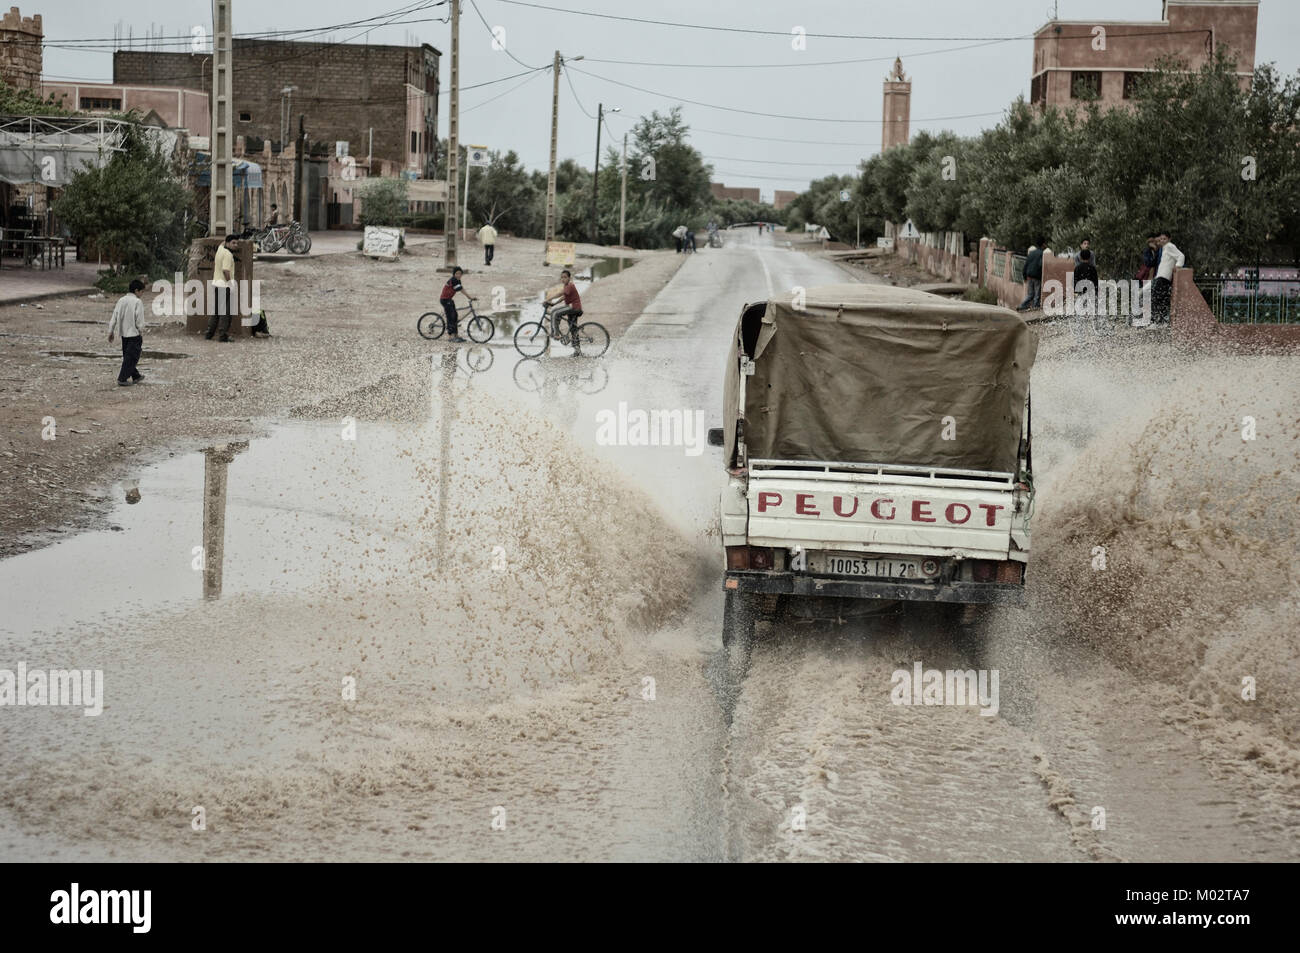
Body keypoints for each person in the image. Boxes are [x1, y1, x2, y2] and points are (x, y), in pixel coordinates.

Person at [108, 278, 146, 387]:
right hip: (134, 334)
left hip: (124, 335)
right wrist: (141, 330)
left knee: (128, 356)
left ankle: (136, 376)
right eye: (142, 291)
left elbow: (114, 316)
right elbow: (139, 320)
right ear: (136, 291)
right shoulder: (137, 302)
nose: (142, 294)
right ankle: (122, 378)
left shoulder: (121, 300)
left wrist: (111, 331)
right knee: (132, 357)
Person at [205, 233, 238, 341]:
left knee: (216, 311)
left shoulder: (220, 249)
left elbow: (221, 243)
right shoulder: (228, 254)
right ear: (228, 243)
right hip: (224, 286)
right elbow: (225, 270)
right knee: (226, 312)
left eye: (237, 243)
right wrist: (230, 284)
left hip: (217, 284)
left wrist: (228, 239)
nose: (236, 245)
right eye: (233, 243)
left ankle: (209, 334)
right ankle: (223, 335)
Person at [1151, 231, 1185, 325]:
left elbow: (1181, 256)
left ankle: (1156, 321)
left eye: (1164, 239)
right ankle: (1161, 321)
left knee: (1156, 299)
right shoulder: (1165, 248)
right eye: (1161, 239)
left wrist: (1178, 265)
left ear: (1169, 239)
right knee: (1161, 300)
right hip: (1161, 276)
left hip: (1164, 277)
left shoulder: (1170, 246)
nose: (1162, 240)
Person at [438, 266, 476, 343]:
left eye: (460, 273)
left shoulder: (458, 281)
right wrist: (470, 297)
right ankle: (450, 336)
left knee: (455, 316)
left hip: (449, 299)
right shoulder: (454, 280)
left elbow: (461, 289)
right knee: (450, 317)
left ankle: (456, 335)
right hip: (445, 300)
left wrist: (469, 297)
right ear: (454, 274)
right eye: (457, 273)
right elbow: (461, 289)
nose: (458, 275)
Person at [544, 269, 583, 337]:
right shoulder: (566, 286)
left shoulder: (570, 286)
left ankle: (556, 334)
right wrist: (555, 303)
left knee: (556, 313)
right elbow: (564, 297)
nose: (563, 279)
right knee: (554, 311)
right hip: (570, 307)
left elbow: (560, 294)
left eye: (565, 277)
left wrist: (548, 299)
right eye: (562, 277)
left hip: (574, 307)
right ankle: (575, 344)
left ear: (569, 278)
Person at [1073, 248, 1100, 337]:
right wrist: (1096, 292)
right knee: (1093, 310)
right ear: (1090, 257)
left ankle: (1080, 329)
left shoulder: (1077, 268)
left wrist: (1075, 291)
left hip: (1081, 292)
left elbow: (1075, 280)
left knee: (1080, 310)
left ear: (1080, 257)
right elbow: (1095, 281)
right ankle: (1095, 328)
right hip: (1091, 292)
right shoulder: (1092, 268)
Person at [1017, 241, 1044, 311]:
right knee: (1037, 295)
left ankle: (1022, 305)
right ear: (1043, 244)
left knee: (1030, 294)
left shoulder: (1031, 253)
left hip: (1029, 276)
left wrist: (1024, 276)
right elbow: (1041, 265)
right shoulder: (1041, 253)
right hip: (1037, 277)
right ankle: (1035, 308)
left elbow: (1026, 265)